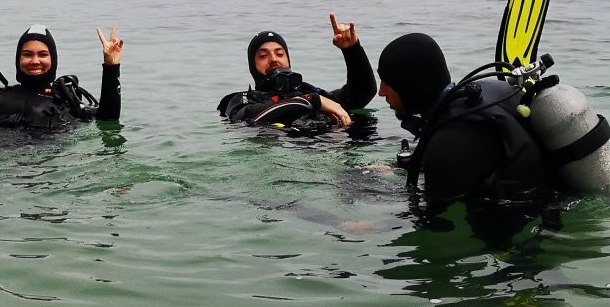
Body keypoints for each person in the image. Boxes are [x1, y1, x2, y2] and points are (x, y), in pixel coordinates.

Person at [376, 32, 548, 209]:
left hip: (518, 221)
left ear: (410, 86)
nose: (381, 92)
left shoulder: (449, 140)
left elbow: (434, 223)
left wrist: (378, 225)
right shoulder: (485, 91)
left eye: (387, 84)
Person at [0, 24, 123, 129]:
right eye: (28, 54)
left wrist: (111, 66)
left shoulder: (66, 104)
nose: (35, 60)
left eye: (43, 54)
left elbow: (108, 117)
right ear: (18, 59)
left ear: (53, 59)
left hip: (34, 162)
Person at [217, 14, 376, 132]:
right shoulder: (243, 100)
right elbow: (249, 118)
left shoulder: (314, 93)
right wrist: (312, 101)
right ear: (252, 65)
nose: (273, 59)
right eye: (263, 56)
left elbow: (362, 93)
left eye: (280, 54)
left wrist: (352, 50)